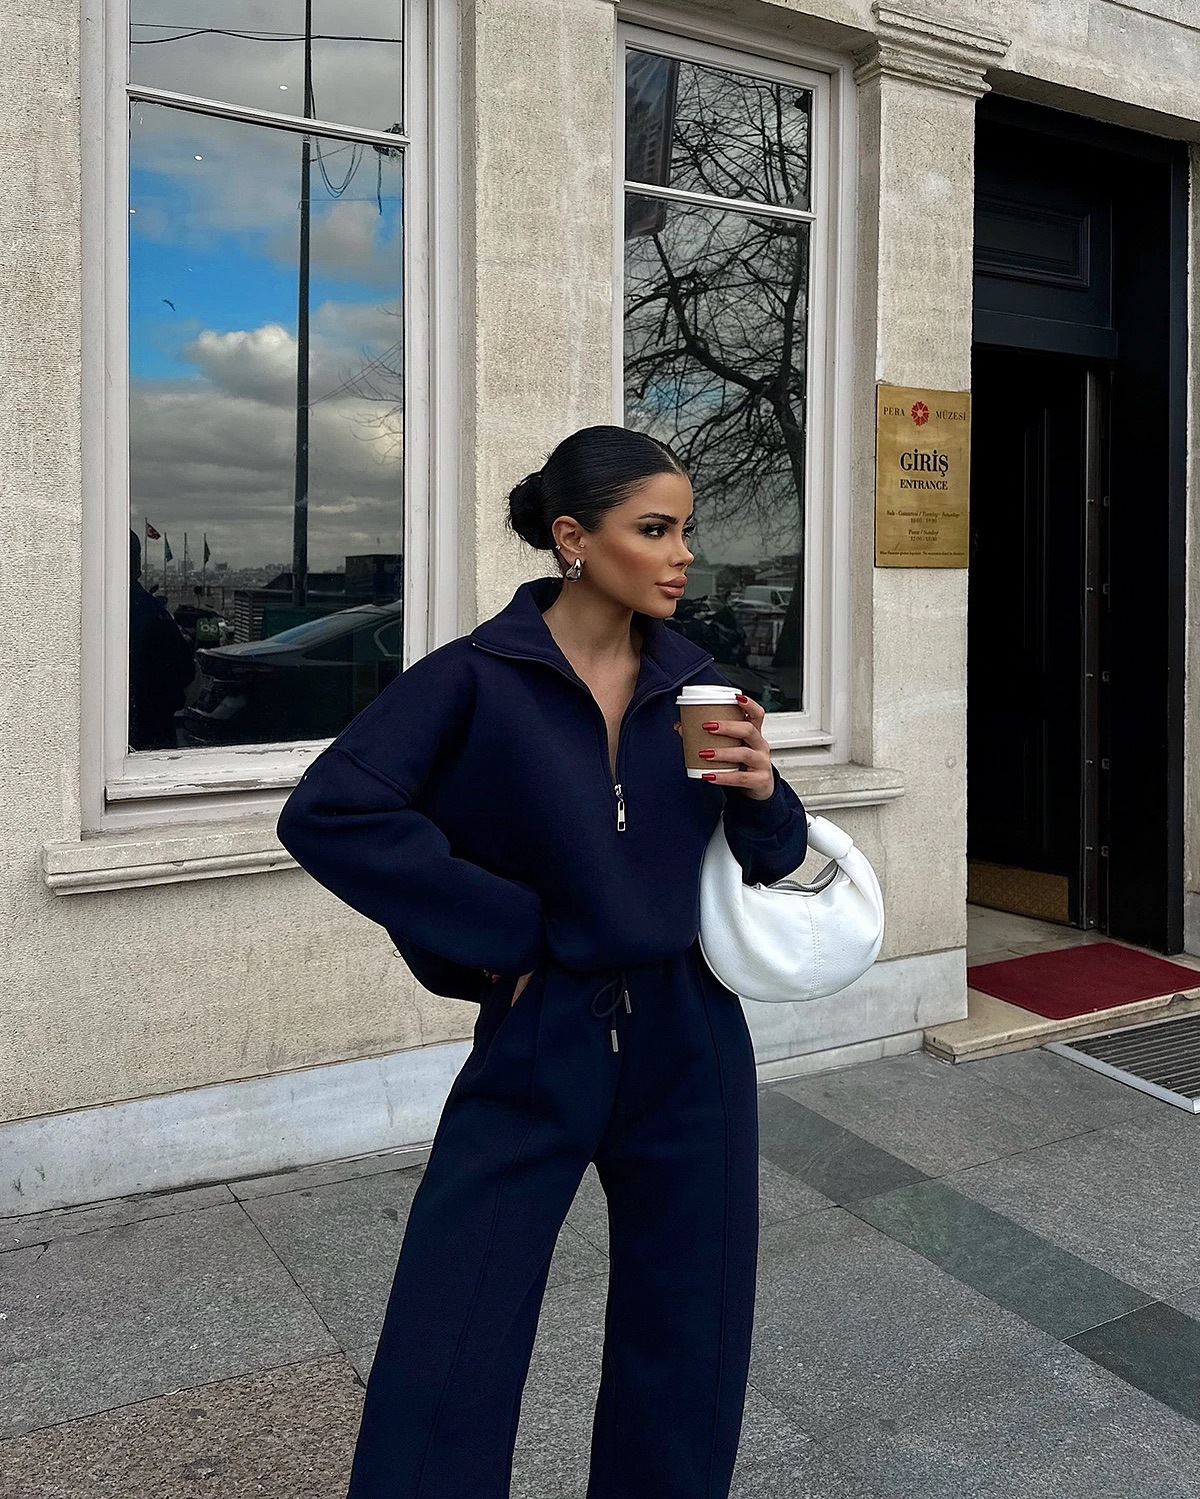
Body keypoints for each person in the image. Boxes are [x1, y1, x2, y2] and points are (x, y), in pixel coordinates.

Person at [275, 425, 809, 1499]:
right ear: (574, 537)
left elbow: (773, 854)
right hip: (543, 1030)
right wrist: (506, 933)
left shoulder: (694, 682)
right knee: (450, 1332)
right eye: (653, 529)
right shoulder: (474, 680)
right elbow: (331, 813)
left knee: (690, 1333)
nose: (682, 555)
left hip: (692, 1033)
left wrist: (763, 791)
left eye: (686, 530)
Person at [128, 529, 195, 750]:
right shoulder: (151, 612)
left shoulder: (89, 608)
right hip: (152, 731)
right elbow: (185, 670)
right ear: (136, 563)